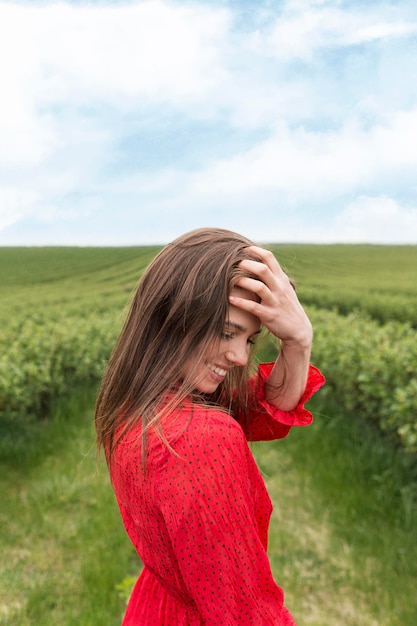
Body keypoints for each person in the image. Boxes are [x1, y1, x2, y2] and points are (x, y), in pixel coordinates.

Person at [95, 227, 325, 625]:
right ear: (172, 316)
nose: (239, 356)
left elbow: (268, 405)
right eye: (225, 332)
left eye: (251, 340)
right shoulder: (197, 440)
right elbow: (241, 612)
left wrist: (298, 341)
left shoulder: (143, 400)